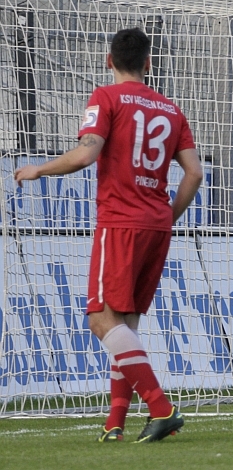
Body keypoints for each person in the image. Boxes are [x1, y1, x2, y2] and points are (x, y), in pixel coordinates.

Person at [14, 28, 203, 443]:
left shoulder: (106, 97)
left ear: (108, 60)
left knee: (101, 319)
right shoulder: (171, 109)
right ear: (148, 63)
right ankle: (114, 422)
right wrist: (167, 215)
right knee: (125, 324)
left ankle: (161, 408)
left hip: (120, 221)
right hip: (157, 224)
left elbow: (87, 153)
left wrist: (38, 168)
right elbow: (194, 173)